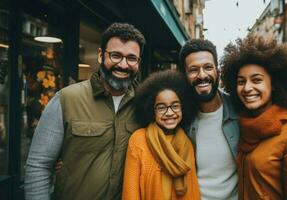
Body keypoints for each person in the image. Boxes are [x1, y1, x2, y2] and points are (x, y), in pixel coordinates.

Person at [178, 39, 287, 200]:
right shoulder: (179, 115)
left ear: (217, 71)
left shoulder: (240, 109)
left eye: (208, 67)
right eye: (193, 69)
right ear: (184, 74)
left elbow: (274, 115)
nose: (202, 75)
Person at [25, 22, 146, 200]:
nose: (123, 64)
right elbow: (39, 166)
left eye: (131, 58)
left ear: (138, 62)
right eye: (115, 55)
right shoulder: (66, 99)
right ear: (100, 55)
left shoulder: (145, 104)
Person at [220, 35, 287, 199]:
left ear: (274, 84)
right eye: (241, 81)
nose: (247, 88)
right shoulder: (244, 127)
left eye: (256, 80)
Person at [122, 69, 200, 200]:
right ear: (152, 110)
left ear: (183, 108)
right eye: (161, 107)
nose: (169, 113)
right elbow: (130, 193)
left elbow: (193, 190)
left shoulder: (187, 144)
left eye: (175, 106)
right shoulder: (138, 140)